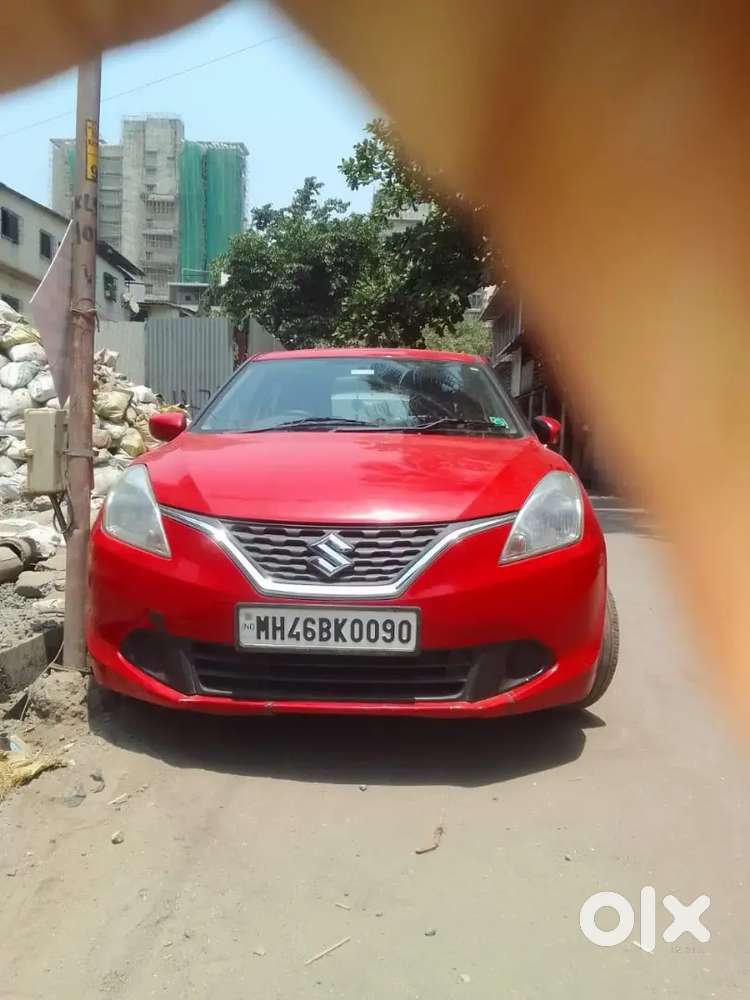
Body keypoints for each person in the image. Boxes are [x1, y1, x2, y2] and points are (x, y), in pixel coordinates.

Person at [3, 0, 749, 725]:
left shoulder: (529, 466)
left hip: (468, 550)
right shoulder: (181, 460)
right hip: (211, 547)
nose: (333, 561)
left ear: (541, 428)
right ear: (176, 423)